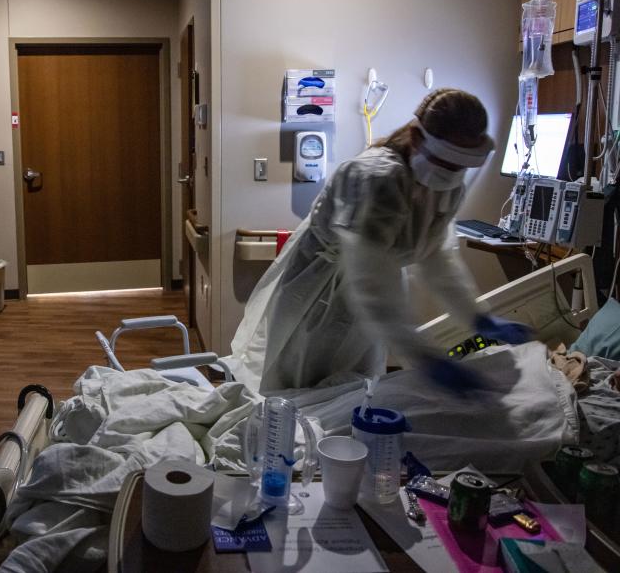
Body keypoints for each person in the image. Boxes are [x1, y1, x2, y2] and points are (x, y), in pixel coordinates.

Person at [224, 88, 533, 393]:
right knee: (298, 385)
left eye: (461, 166)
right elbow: (371, 281)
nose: (452, 174)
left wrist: (477, 317)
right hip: (320, 292)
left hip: (372, 299)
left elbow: (437, 260)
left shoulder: (446, 188)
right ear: (417, 138)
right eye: (446, 161)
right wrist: (425, 357)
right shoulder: (375, 179)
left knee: (352, 392)